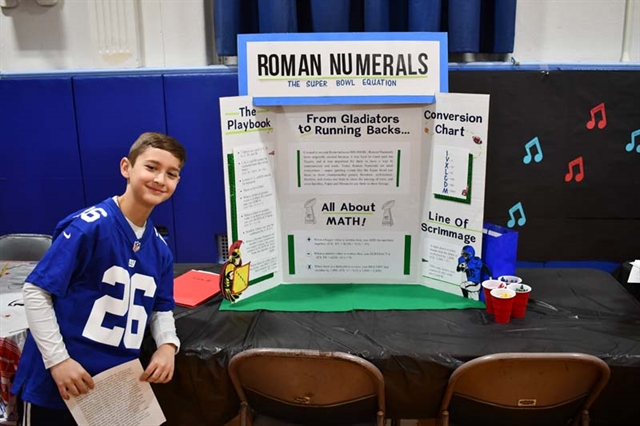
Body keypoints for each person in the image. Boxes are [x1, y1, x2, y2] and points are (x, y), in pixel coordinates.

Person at [11, 132, 186, 425]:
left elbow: (161, 307)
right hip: (62, 382)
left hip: (114, 384)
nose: (160, 179)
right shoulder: (89, 227)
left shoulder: (160, 249)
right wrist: (58, 361)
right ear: (126, 168)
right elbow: (36, 291)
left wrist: (168, 345)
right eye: (151, 167)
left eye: (172, 173)